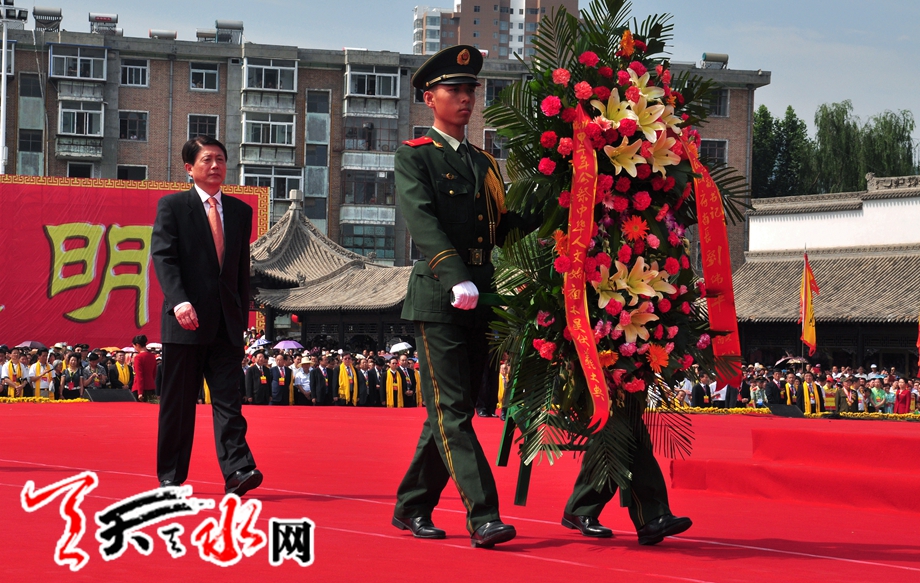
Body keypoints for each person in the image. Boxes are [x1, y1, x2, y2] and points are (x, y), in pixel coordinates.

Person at [392, 45, 533, 548]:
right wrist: (454, 275)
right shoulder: (415, 156)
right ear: (430, 98)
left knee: (452, 411)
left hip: (482, 293)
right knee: (452, 411)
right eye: (455, 90)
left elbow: (502, 228)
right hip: (440, 295)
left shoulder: (484, 162)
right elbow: (422, 221)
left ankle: (412, 505)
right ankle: (484, 514)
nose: (466, 98)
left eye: (471, 89)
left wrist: (558, 203)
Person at [150, 135, 261, 495]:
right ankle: (171, 475)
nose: (215, 166)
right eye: (207, 160)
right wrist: (178, 301)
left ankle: (238, 469)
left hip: (226, 323)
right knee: (179, 403)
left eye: (221, 159)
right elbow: (164, 258)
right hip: (186, 320)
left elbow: (240, 270)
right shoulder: (173, 206)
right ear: (189, 168)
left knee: (229, 400)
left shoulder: (241, 212)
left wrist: (241, 316)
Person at [132, 335, 157, 402]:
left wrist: (140, 392)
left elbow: (139, 375)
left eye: (134, 346)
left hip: (139, 388)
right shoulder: (152, 356)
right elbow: (154, 373)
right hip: (151, 386)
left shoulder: (138, 357)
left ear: (137, 345)